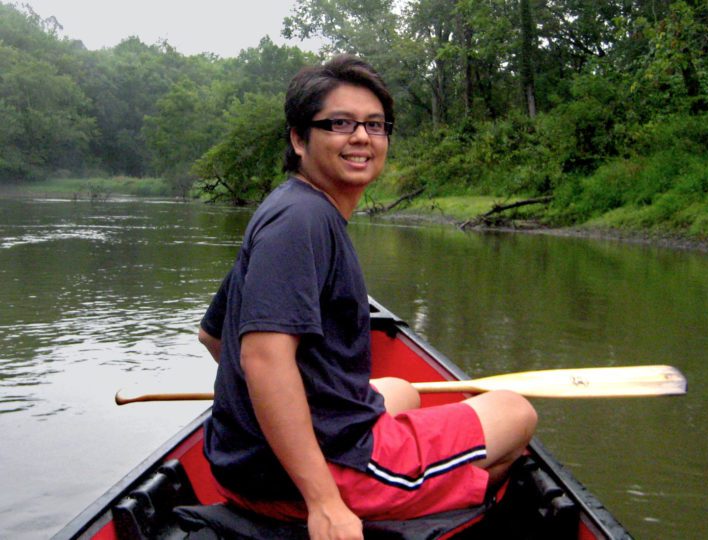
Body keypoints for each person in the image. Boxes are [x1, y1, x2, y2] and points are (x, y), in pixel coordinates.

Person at [198, 54, 537, 540]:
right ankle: (405, 512)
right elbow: (263, 360)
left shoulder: (286, 207)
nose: (361, 137)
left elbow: (214, 337)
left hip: (242, 464)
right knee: (514, 411)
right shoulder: (302, 222)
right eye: (340, 123)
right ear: (298, 138)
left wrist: (271, 418)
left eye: (375, 125)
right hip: (303, 481)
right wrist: (322, 501)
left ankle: (405, 480)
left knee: (404, 390)